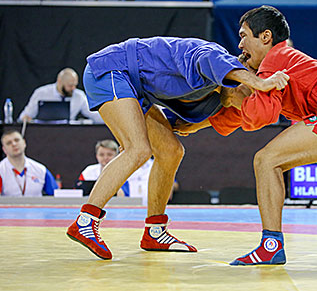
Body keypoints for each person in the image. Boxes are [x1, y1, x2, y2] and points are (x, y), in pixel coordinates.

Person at [181, 6, 317, 265]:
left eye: (244, 35)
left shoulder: (275, 58)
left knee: (266, 160)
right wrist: (191, 126)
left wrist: (234, 98)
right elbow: (242, 117)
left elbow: (262, 115)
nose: (240, 45)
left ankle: (271, 245)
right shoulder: (280, 64)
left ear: (266, 37)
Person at [66, 36, 289, 260]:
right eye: (248, 96)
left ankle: (155, 231)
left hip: (136, 88)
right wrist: (260, 83)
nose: (246, 104)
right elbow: (214, 62)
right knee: (138, 149)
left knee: (171, 151)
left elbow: (189, 125)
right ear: (240, 83)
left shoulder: (218, 97)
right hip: (112, 69)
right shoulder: (214, 54)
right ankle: (86, 220)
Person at [19, 68, 103, 123]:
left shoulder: (79, 95)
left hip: (68, 134)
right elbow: (25, 116)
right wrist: (26, 119)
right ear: (59, 81)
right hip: (44, 132)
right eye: (70, 85)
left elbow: (93, 115)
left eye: (75, 85)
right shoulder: (41, 93)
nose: (73, 88)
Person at [0, 130, 59, 196]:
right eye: (9, 143)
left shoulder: (40, 170)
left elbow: (56, 196)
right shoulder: (1, 170)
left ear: (24, 143)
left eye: (17, 140)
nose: (14, 144)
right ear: (4, 149)